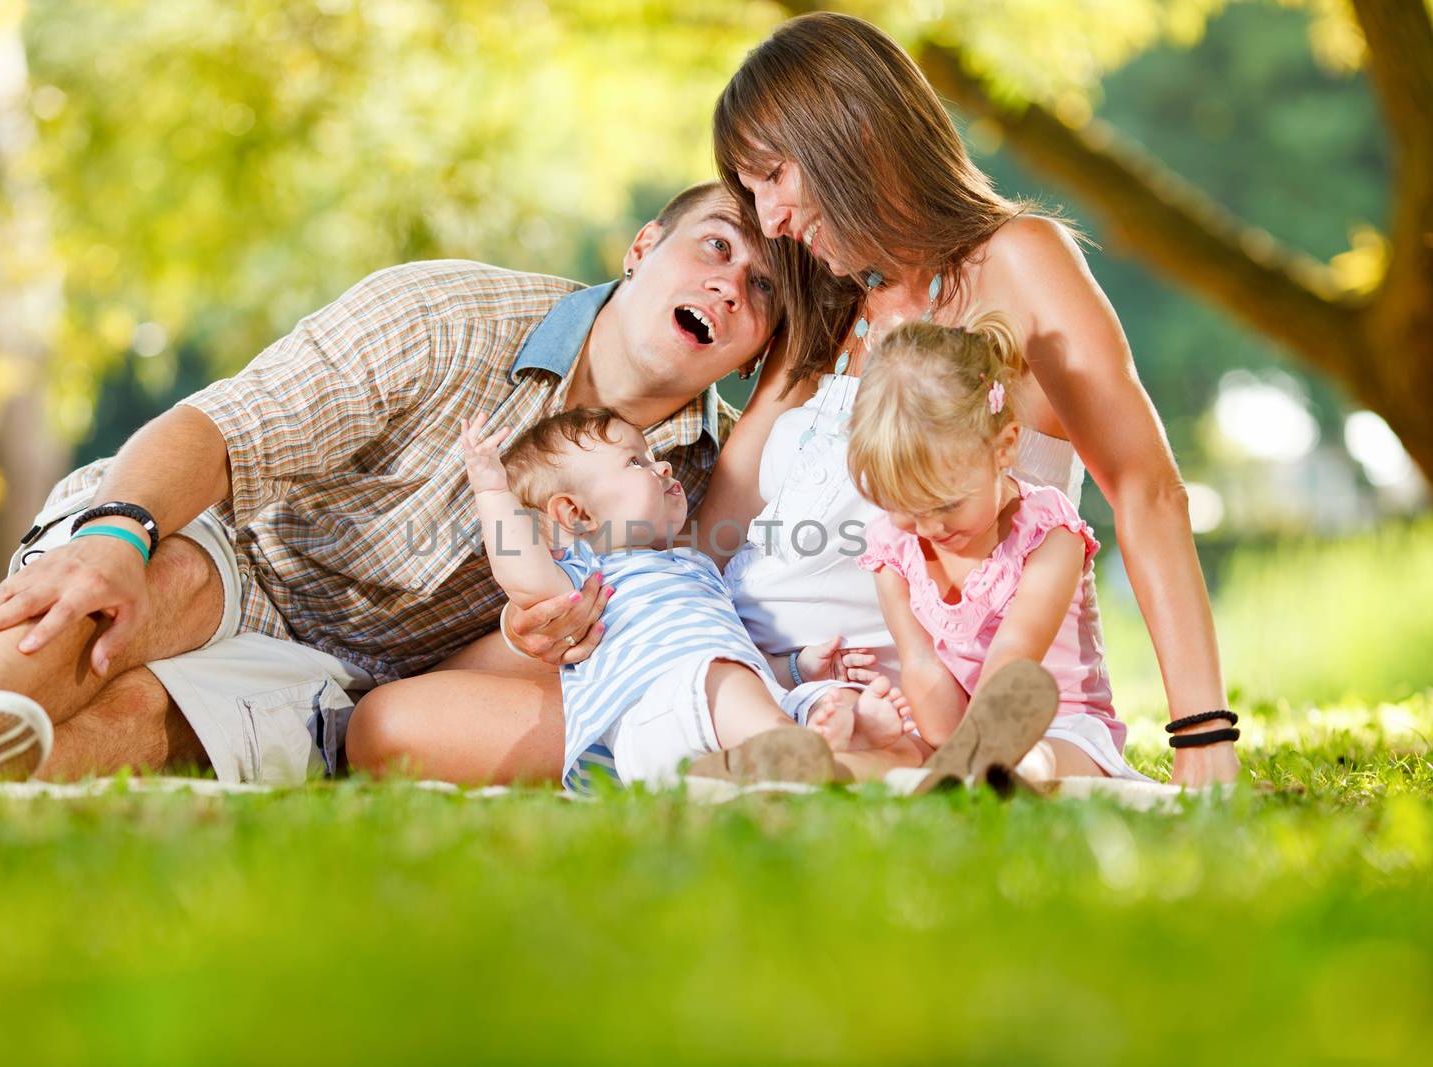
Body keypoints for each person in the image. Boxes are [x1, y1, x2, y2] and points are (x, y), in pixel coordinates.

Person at [0, 181, 782, 786]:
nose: (733, 284)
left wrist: (521, 636)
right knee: (134, 595)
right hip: (234, 546)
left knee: (145, 718)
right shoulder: (449, 314)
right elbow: (221, 425)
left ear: (761, 345)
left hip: (336, 681)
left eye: (766, 286)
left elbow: (528, 672)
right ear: (642, 245)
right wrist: (115, 535)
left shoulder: (703, 484)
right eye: (714, 246)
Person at [702, 11, 1241, 787]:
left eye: (775, 176)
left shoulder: (1018, 262)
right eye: (751, 192)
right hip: (797, 694)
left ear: (852, 130)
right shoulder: (825, 308)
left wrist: (1203, 738)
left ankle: (973, 765)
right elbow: (719, 530)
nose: (770, 222)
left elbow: (1145, 487)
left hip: (950, 706)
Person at [451, 406, 912, 788]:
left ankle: (846, 736)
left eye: (651, 456)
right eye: (636, 462)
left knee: (820, 694)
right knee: (719, 679)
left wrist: (797, 668)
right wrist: (492, 491)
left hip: (717, 708)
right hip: (651, 719)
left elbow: (735, 654)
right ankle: (792, 749)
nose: (662, 466)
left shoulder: (695, 568)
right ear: (576, 512)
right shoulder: (585, 573)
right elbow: (525, 579)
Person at [846, 312, 1157, 785]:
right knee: (899, 750)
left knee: (1037, 760)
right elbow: (923, 665)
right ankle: (817, 765)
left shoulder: (1050, 536)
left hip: (1059, 726)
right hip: (957, 731)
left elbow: (1014, 657)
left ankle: (999, 778)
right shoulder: (894, 550)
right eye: (903, 506)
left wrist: (974, 747)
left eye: (946, 504)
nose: (927, 527)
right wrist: (938, 743)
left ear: (1003, 448)